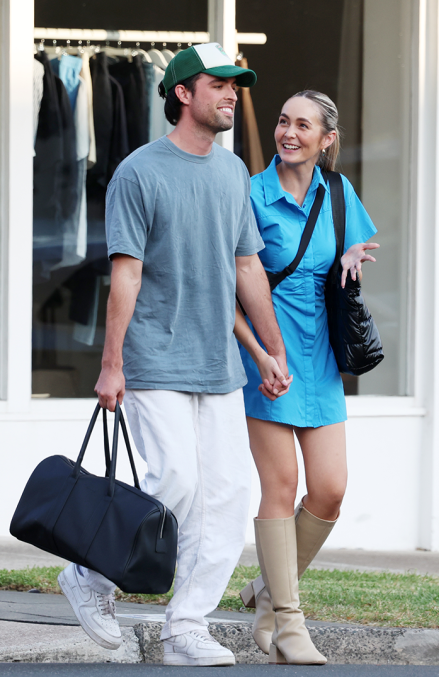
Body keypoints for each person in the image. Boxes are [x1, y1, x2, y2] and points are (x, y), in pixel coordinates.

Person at [57, 43, 291, 667]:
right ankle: (90, 578)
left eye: (233, 87)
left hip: (218, 362)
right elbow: (125, 275)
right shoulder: (139, 172)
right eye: (218, 85)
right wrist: (111, 364)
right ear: (183, 93)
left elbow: (243, 267)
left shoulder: (233, 172)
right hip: (154, 357)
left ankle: (185, 626)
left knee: (227, 497)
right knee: (173, 482)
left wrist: (269, 348)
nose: (229, 97)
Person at [233, 90, 379, 665]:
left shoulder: (338, 193)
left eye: (303, 125)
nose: (288, 132)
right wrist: (260, 354)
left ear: (327, 140)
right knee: (282, 485)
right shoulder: (248, 195)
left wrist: (350, 260)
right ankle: (287, 624)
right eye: (283, 121)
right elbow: (231, 288)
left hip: (319, 360)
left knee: (331, 489)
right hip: (263, 358)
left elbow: (356, 245)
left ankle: (270, 585)